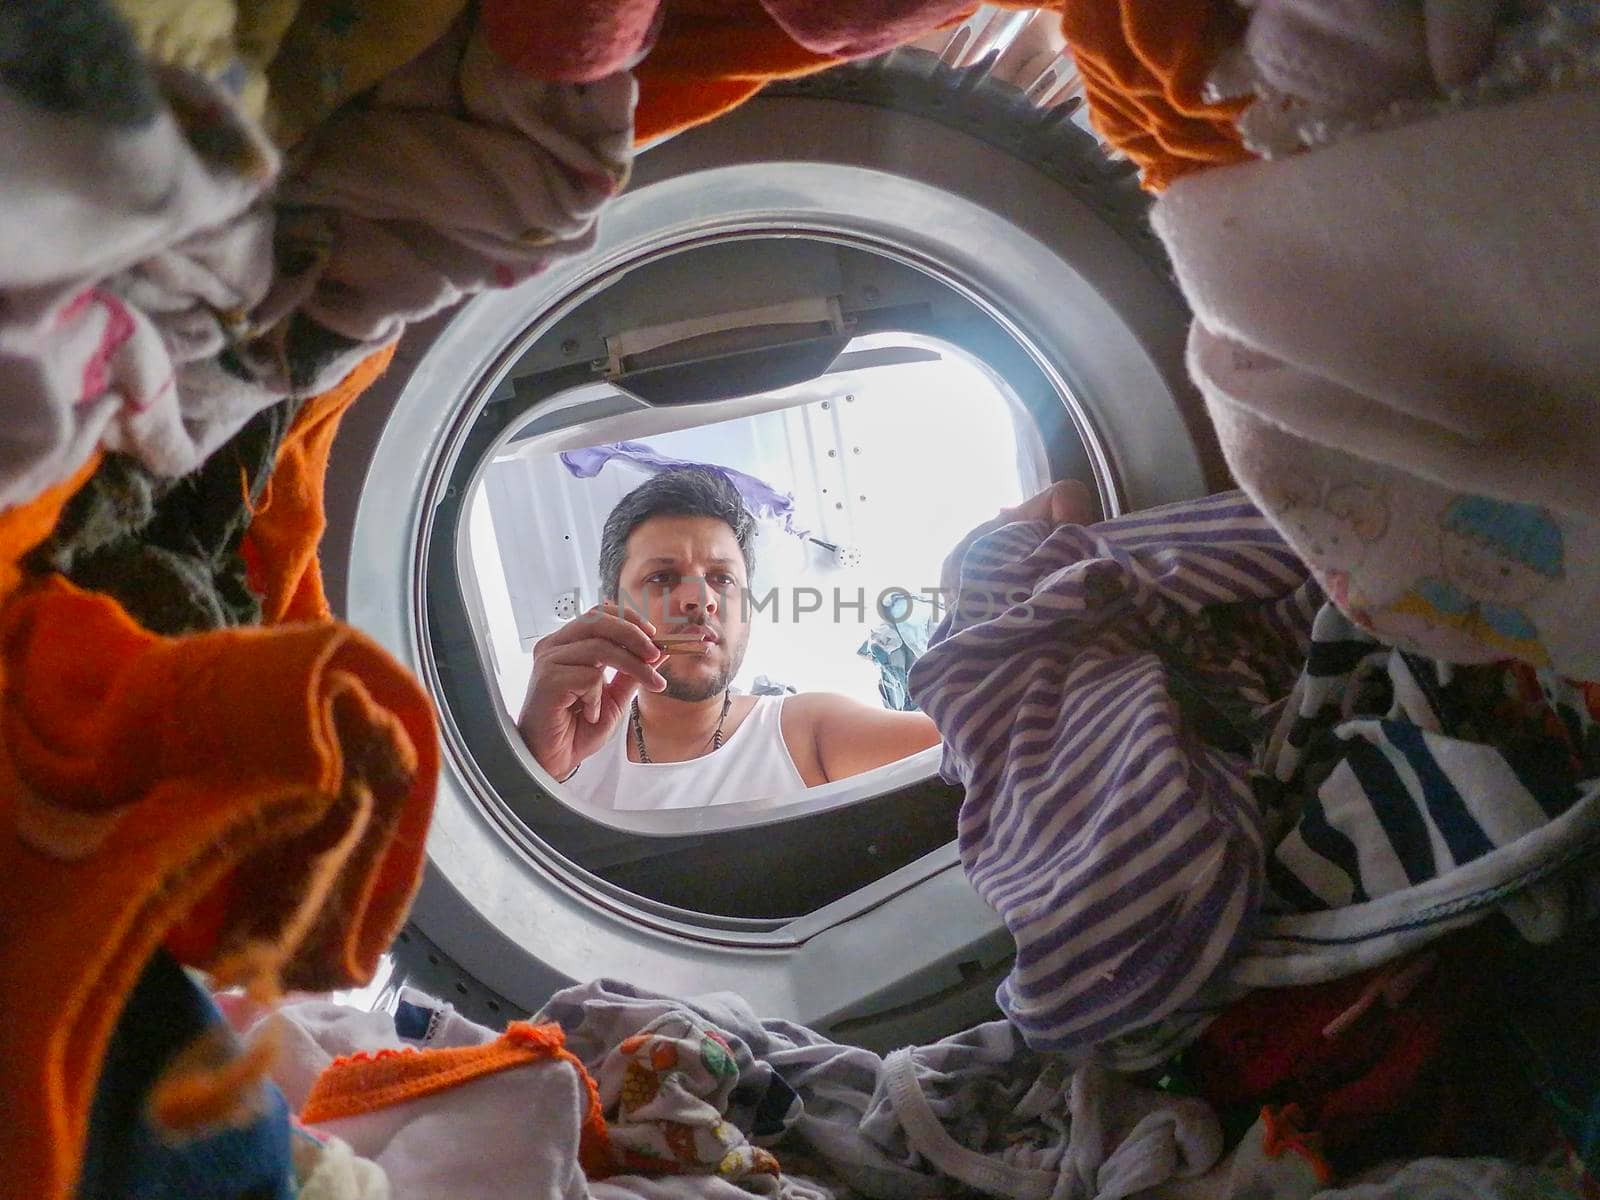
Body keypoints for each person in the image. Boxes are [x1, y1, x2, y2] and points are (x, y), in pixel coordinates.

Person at [518, 468, 943, 810]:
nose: (701, 600)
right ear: (613, 608)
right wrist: (532, 773)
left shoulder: (809, 732)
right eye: (662, 578)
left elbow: (984, 744)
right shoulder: (566, 746)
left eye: (722, 578)